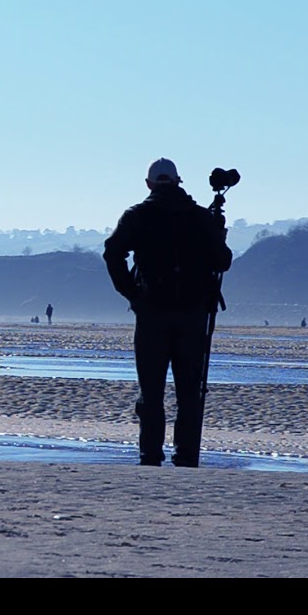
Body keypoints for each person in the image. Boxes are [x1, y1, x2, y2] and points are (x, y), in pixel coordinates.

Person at [103, 158, 232, 468]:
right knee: (190, 391)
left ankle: (150, 455)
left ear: (149, 184)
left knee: (151, 391)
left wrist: (132, 293)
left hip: (152, 313)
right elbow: (222, 262)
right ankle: (186, 456)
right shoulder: (200, 217)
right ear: (178, 182)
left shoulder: (138, 216)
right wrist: (217, 233)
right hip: (192, 314)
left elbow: (112, 253)